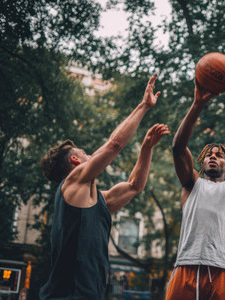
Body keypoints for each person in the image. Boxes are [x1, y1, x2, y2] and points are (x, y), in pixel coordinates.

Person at [39, 73, 169, 299]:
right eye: (84, 152)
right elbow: (114, 144)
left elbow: (134, 186)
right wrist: (144, 106)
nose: (89, 154)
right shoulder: (71, 183)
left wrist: (146, 148)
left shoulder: (99, 201)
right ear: (75, 161)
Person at [165, 79, 225, 300]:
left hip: (223, 271)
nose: (213, 156)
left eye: (219, 155)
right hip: (186, 267)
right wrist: (197, 104)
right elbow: (178, 147)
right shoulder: (192, 184)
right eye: (209, 154)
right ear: (202, 162)